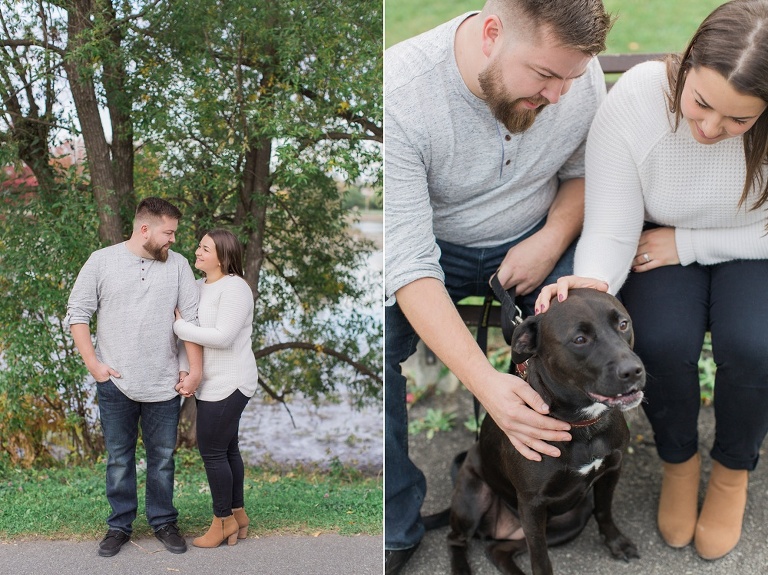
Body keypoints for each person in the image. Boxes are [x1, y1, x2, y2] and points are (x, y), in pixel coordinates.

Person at [383, 1, 613, 571]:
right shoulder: (400, 93)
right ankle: (394, 522)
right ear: (491, 35)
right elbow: (408, 263)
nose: (560, 95)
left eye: (572, 78)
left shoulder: (574, 77)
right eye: (544, 76)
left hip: (540, 236)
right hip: (437, 247)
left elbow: (587, 175)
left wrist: (553, 238)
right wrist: (488, 384)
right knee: (376, 345)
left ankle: (560, 477)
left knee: (595, 333)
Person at [535, 0, 768, 561]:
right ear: (686, 64)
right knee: (658, 341)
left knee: (754, 343)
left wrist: (688, 245)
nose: (712, 129)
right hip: (652, 241)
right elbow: (613, 221)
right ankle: (679, 462)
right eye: (702, 104)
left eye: (739, 120)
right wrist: (590, 281)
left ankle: (733, 472)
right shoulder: (638, 98)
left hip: (753, 242)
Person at [66, 197, 203, 557]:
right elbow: (77, 314)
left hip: (164, 384)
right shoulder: (102, 261)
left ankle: (163, 522)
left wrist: (189, 370)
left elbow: (191, 323)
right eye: (168, 232)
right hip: (116, 382)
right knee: (119, 458)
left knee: (161, 459)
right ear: (145, 229)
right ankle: (119, 526)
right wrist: (95, 365)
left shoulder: (179, 266)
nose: (173, 239)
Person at [172, 229, 258, 548]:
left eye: (205, 248)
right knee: (226, 448)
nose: (197, 251)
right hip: (210, 382)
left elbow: (223, 337)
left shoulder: (235, 289)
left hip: (233, 381)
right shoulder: (196, 288)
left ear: (222, 257)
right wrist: (186, 369)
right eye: (199, 246)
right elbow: (191, 339)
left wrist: (179, 325)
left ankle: (222, 521)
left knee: (211, 450)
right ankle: (237, 515)